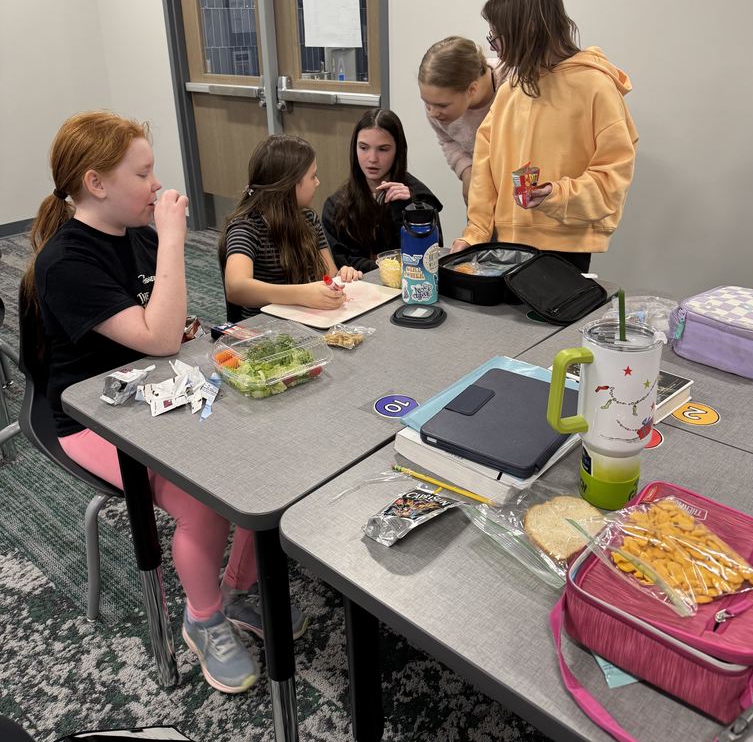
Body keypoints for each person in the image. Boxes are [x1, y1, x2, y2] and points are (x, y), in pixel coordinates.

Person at [22, 111, 300, 698]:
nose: (156, 184)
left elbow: (167, 326)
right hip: (89, 417)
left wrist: (185, 317)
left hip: (154, 392)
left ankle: (236, 586)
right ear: (96, 183)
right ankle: (203, 620)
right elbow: (157, 336)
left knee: (265, 457)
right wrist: (175, 240)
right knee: (206, 499)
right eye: (143, 173)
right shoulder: (66, 262)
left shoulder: (140, 238)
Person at [451, 0, 638, 272]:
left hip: (564, 248)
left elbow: (612, 178)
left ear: (530, 29)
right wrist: (476, 233)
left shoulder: (595, 87)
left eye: (497, 36)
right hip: (505, 243)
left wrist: (557, 195)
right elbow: (484, 170)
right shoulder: (511, 88)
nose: (493, 47)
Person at [220, 136, 361, 321]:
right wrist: (301, 294)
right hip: (268, 333)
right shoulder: (246, 227)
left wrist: (341, 276)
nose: (317, 182)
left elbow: (329, 274)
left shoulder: (309, 218)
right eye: (313, 176)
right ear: (290, 184)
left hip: (310, 320)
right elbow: (236, 288)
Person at [322, 109, 443, 273]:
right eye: (363, 147)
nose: (372, 159)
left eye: (383, 149)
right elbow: (340, 260)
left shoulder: (419, 200)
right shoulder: (336, 205)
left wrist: (408, 212)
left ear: (398, 151)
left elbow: (430, 257)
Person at [418, 36, 501, 204]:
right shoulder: (436, 102)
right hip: (483, 198)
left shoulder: (516, 84)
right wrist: (467, 172)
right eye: (427, 103)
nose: (433, 113)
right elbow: (449, 141)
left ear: (472, 89)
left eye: (442, 105)